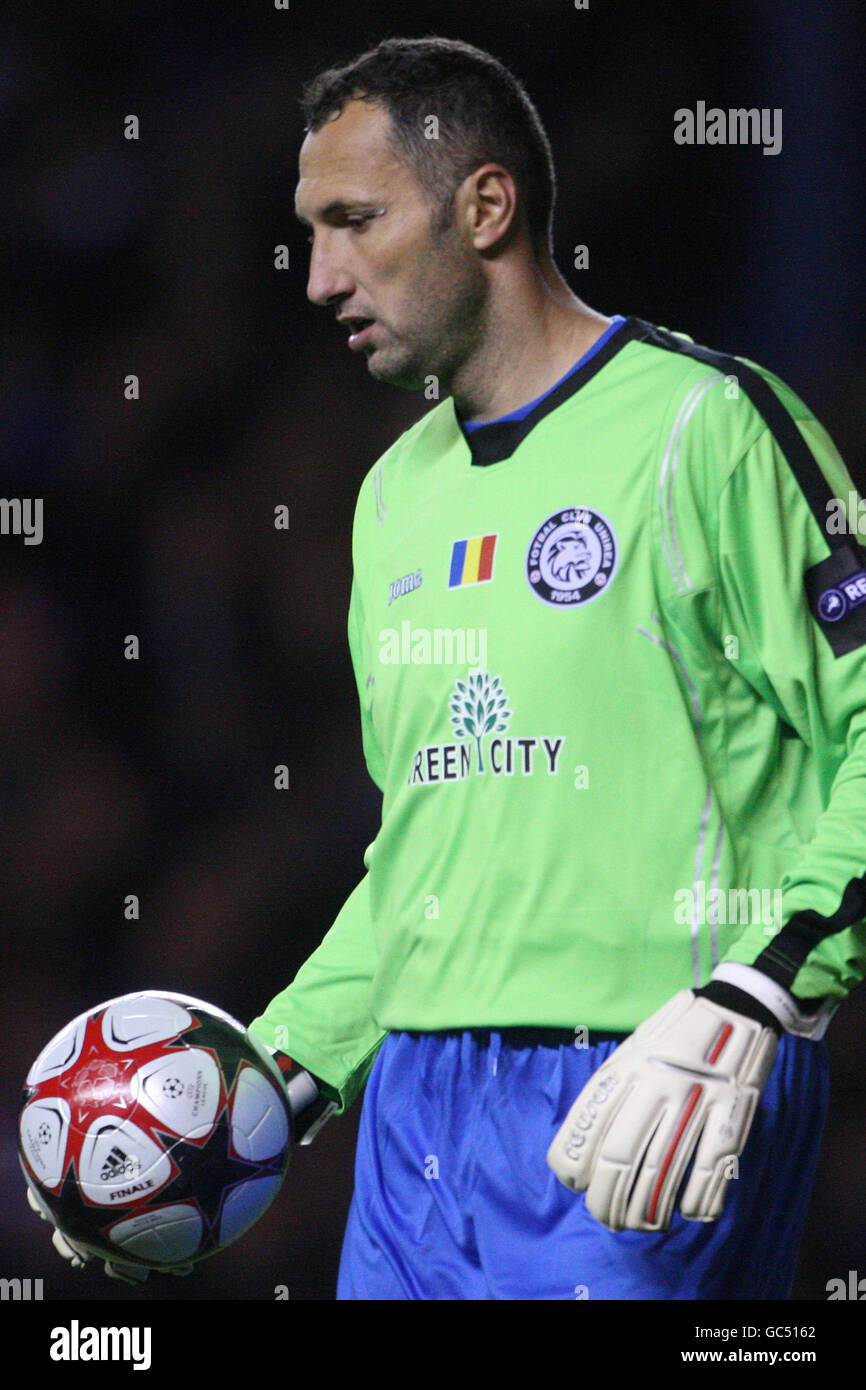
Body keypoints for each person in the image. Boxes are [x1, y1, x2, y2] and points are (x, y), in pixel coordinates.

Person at [42, 35, 866, 1299]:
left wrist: (763, 995)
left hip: (649, 1087)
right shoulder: (391, 496)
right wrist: (256, 1095)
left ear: (486, 206)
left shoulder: (709, 427)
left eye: (353, 222)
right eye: (309, 233)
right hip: (414, 1125)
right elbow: (429, 855)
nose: (316, 278)